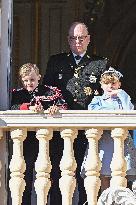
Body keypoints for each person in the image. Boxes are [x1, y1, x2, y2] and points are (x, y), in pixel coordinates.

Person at [43, 21, 108, 204]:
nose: (77, 42)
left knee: (87, 174)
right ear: (68, 40)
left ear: (88, 39)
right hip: (60, 126)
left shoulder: (100, 63)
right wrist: (54, 104)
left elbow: (108, 93)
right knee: (58, 172)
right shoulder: (56, 61)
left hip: (89, 129)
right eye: (73, 38)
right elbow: (47, 90)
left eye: (81, 38)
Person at [11, 63, 67, 205]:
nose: (29, 83)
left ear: (39, 78)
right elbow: (14, 107)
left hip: (50, 141)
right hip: (28, 141)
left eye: (32, 80)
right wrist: (29, 107)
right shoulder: (18, 94)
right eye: (26, 80)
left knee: (54, 173)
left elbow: (63, 105)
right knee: (26, 174)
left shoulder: (50, 92)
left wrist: (56, 108)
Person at [81, 67, 136, 195]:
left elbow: (129, 110)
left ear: (119, 84)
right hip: (104, 142)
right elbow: (93, 114)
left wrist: (121, 94)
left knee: (121, 174)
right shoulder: (97, 100)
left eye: (113, 83)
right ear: (101, 84)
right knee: (104, 175)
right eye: (106, 83)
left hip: (121, 142)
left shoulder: (123, 99)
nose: (110, 86)